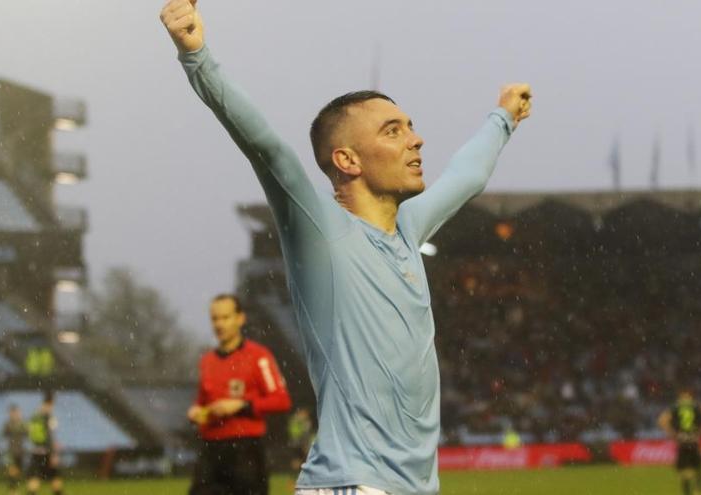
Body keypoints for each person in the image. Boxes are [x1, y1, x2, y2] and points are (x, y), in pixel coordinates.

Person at [159, 1, 531, 493]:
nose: (416, 141)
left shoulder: (408, 228)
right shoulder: (321, 230)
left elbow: (467, 175)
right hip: (350, 485)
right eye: (393, 131)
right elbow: (267, 146)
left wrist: (503, 116)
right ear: (347, 159)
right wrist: (197, 55)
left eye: (411, 127)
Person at [187, 294, 293, 495]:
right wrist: (196, 412)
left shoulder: (258, 356)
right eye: (215, 319)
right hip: (211, 451)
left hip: (246, 451)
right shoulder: (207, 360)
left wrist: (241, 406)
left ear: (240, 318)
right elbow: (201, 401)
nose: (219, 324)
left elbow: (281, 400)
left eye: (225, 317)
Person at [658, 388, 701, 495]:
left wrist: (673, 433)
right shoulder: (696, 405)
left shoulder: (676, 406)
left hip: (682, 441)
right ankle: (698, 491)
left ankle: (687, 493)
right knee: (698, 468)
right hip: (694, 439)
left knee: (684, 471)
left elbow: (662, 420)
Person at [26, 391, 63, 495]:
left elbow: (30, 432)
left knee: (36, 476)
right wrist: (54, 453)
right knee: (54, 476)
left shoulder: (35, 415)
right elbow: (49, 436)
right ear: (51, 402)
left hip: (36, 450)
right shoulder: (48, 416)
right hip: (46, 451)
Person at [0, 404, 27, 495]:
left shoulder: (23, 424)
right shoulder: (8, 424)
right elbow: (2, 436)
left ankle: (15, 489)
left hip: (21, 451)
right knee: (12, 471)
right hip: (11, 451)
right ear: (11, 413)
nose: (15, 414)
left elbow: (28, 434)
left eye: (17, 412)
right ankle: (12, 491)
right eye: (13, 412)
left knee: (18, 471)